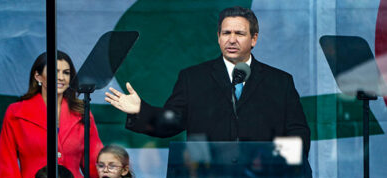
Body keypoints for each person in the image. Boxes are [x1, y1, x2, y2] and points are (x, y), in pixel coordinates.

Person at [105, 6, 311, 156]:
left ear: (254, 39)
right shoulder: (193, 78)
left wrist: (270, 159)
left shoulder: (280, 82)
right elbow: (170, 123)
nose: (231, 39)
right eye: (226, 33)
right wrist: (141, 110)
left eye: (239, 33)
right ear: (218, 37)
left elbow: (298, 133)